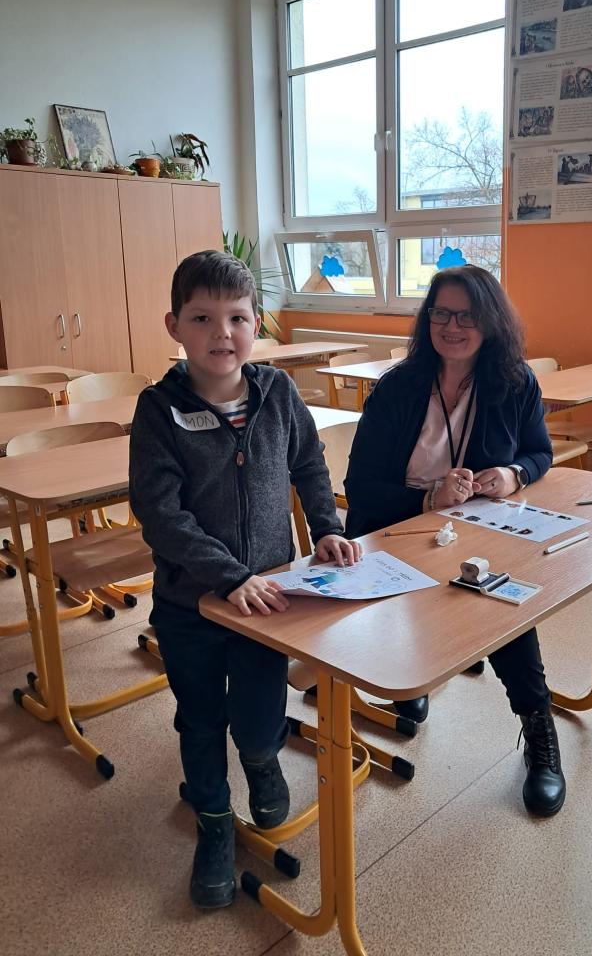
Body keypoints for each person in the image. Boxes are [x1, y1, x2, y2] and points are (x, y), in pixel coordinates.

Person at [129, 250, 360, 910]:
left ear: (257, 324)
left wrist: (326, 528)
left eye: (237, 318)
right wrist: (229, 577)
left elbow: (308, 464)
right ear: (175, 326)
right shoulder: (159, 410)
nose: (221, 333)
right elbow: (161, 515)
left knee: (260, 719)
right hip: (191, 604)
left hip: (267, 601)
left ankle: (260, 762)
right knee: (201, 722)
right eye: (202, 318)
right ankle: (213, 824)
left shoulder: (277, 393)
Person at [344, 265, 566, 818]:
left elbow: (540, 451)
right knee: (428, 595)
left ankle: (539, 731)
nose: (452, 327)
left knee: (504, 602)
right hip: (393, 527)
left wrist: (513, 473)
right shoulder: (397, 387)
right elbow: (359, 488)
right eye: (441, 313)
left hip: (475, 528)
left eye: (467, 316)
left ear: (490, 322)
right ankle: (414, 678)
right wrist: (427, 500)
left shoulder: (514, 382)